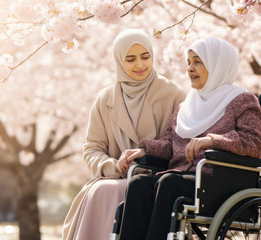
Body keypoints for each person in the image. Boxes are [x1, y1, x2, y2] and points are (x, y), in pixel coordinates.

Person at [117, 37, 261, 240]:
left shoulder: (243, 100)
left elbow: (253, 143)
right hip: (181, 176)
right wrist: (144, 150)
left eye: (198, 62)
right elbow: (171, 143)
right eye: (189, 62)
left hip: (217, 181)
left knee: (168, 183)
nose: (190, 68)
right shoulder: (185, 107)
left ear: (218, 63)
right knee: (139, 184)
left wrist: (212, 140)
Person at [62, 29, 186, 240]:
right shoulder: (105, 99)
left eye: (145, 57)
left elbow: (179, 144)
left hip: (155, 178)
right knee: (103, 190)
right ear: (119, 61)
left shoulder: (173, 95)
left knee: (121, 190)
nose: (140, 65)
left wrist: (144, 155)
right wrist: (111, 165)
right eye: (130, 59)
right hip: (114, 175)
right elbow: (92, 148)